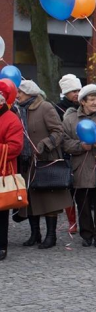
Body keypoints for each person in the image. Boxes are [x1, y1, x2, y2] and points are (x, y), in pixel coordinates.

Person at [16, 80, 72, 250]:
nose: (17, 95)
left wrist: (45, 144)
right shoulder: (19, 110)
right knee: (31, 199)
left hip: (46, 159)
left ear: (30, 93)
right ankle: (35, 234)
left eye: (20, 92)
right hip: (27, 161)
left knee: (49, 198)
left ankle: (51, 235)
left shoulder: (45, 107)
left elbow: (59, 131)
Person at [62, 84, 96, 248]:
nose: (95, 103)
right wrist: (81, 146)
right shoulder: (70, 119)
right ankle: (86, 234)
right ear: (82, 102)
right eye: (91, 100)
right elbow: (64, 142)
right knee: (83, 203)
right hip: (81, 167)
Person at [0, 81, 24, 261]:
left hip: (2, 172)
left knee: (1, 213)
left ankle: (1, 246)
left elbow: (15, 147)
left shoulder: (11, 119)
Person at [56, 74, 83, 234]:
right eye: (73, 90)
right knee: (68, 189)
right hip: (66, 152)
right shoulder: (57, 107)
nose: (77, 94)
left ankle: (84, 218)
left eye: (78, 90)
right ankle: (72, 221)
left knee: (82, 188)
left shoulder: (84, 105)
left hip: (84, 150)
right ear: (65, 92)